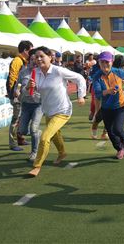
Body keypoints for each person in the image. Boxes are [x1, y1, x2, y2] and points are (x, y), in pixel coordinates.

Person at [27, 47, 87, 177]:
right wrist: (30, 88)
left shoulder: (58, 71)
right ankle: (62, 153)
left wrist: (81, 95)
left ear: (50, 57)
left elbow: (80, 78)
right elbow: (35, 94)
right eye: (36, 57)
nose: (38, 59)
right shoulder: (35, 73)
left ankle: (37, 166)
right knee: (55, 134)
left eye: (41, 56)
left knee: (45, 137)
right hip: (48, 110)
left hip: (62, 110)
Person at [93, 51, 124, 159]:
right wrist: (108, 91)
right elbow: (98, 93)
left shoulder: (118, 72)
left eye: (107, 62)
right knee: (110, 132)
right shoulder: (96, 76)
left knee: (117, 129)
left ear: (112, 61)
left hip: (120, 107)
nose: (105, 65)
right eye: (102, 62)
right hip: (106, 109)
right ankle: (119, 149)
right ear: (99, 63)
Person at [6, 40, 33, 151]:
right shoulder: (17, 61)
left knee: (22, 117)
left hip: (21, 94)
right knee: (16, 119)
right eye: (31, 50)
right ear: (25, 50)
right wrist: (14, 93)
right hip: (17, 94)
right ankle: (12, 143)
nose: (32, 53)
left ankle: (20, 138)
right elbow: (13, 78)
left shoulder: (23, 61)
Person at [16, 49, 42, 162]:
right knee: (22, 131)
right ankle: (37, 133)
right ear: (28, 60)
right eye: (31, 59)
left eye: (35, 59)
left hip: (38, 104)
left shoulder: (42, 72)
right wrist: (17, 94)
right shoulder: (23, 73)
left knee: (33, 129)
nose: (34, 61)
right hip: (26, 104)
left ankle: (34, 152)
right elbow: (18, 87)